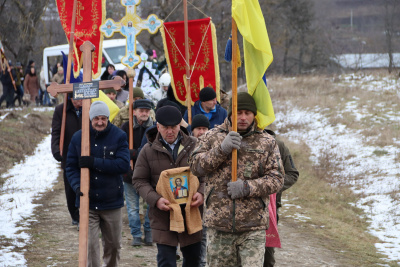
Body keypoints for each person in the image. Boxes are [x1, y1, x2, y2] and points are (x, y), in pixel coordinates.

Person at [189, 92, 285, 267]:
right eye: (238, 112)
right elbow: (196, 166)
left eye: (247, 113)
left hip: (253, 226)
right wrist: (221, 149)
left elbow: (277, 178)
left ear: (254, 115)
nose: (242, 117)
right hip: (219, 225)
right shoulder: (212, 136)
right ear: (230, 113)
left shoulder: (267, 142)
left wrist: (247, 187)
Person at [132, 106, 203, 267]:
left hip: (191, 213)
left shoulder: (195, 146)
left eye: (174, 127)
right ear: (158, 127)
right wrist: (155, 200)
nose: (170, 131)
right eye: (165, 127)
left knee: (193, 260)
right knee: (166, 262)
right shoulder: (148, 151)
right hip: (163, 216)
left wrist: (201, 193)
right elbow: (139, 180)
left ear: (180, 126)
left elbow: (206, 175)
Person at [66, 101, 130, 266]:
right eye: (96, 119)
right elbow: (71, 168)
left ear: (108, 118)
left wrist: (94, 162)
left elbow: (122, 165)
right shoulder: (78, 138)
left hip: (112, 202)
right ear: (90, 119)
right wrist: (77, 186)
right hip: (88, 202)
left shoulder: (119, 136)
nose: (100, 122)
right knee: (90, 246)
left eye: (103, 118)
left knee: (114, 246)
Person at [120, 99, 155, 246]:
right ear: (134, 112)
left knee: (151, 205)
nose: (144, 113)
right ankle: (135, 235)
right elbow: (121, 150)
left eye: (147, 111)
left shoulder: (154, 128)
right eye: (141, 111)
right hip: (129, 173)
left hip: (149, 174)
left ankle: (148, 233)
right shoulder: (126, 127)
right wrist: (132, 154)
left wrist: (134, 153)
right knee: (133, 207)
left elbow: (153, 149)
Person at [263, 129, 299, 267]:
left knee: (267, 255)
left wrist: (272, 186)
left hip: (270, 209)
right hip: (242, 208)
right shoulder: (240, 143)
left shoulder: (279, 145)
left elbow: (292, 174)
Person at [51, 94, 83, 227]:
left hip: (87, 152)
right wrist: (56, 150)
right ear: (70, 98)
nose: (79, 101)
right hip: (69, 153)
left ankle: (89, 214)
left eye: (82, 98)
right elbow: (56, 132)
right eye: (76, 98)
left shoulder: (89, 107)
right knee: (70, 188)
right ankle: (75, 215)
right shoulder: (61, 110)